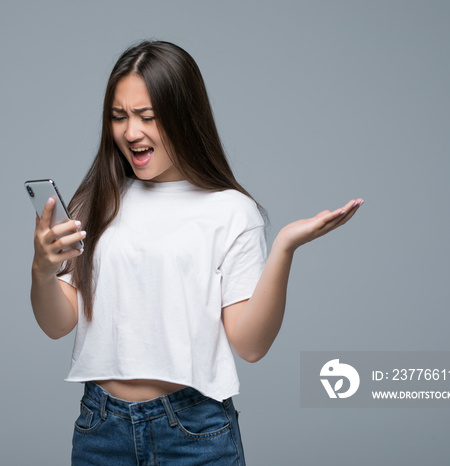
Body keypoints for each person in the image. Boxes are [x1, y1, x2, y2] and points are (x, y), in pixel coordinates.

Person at [30, 40, 362, 465]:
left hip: (192, 431)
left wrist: (284, 248)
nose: (131, 132)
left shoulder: (231, 211)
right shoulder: (94, 202)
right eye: (119, 117)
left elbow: (251, 344)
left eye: (147, 117)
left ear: (184, 117)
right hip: (101, 429)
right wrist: (42, 270)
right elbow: (57, 324)